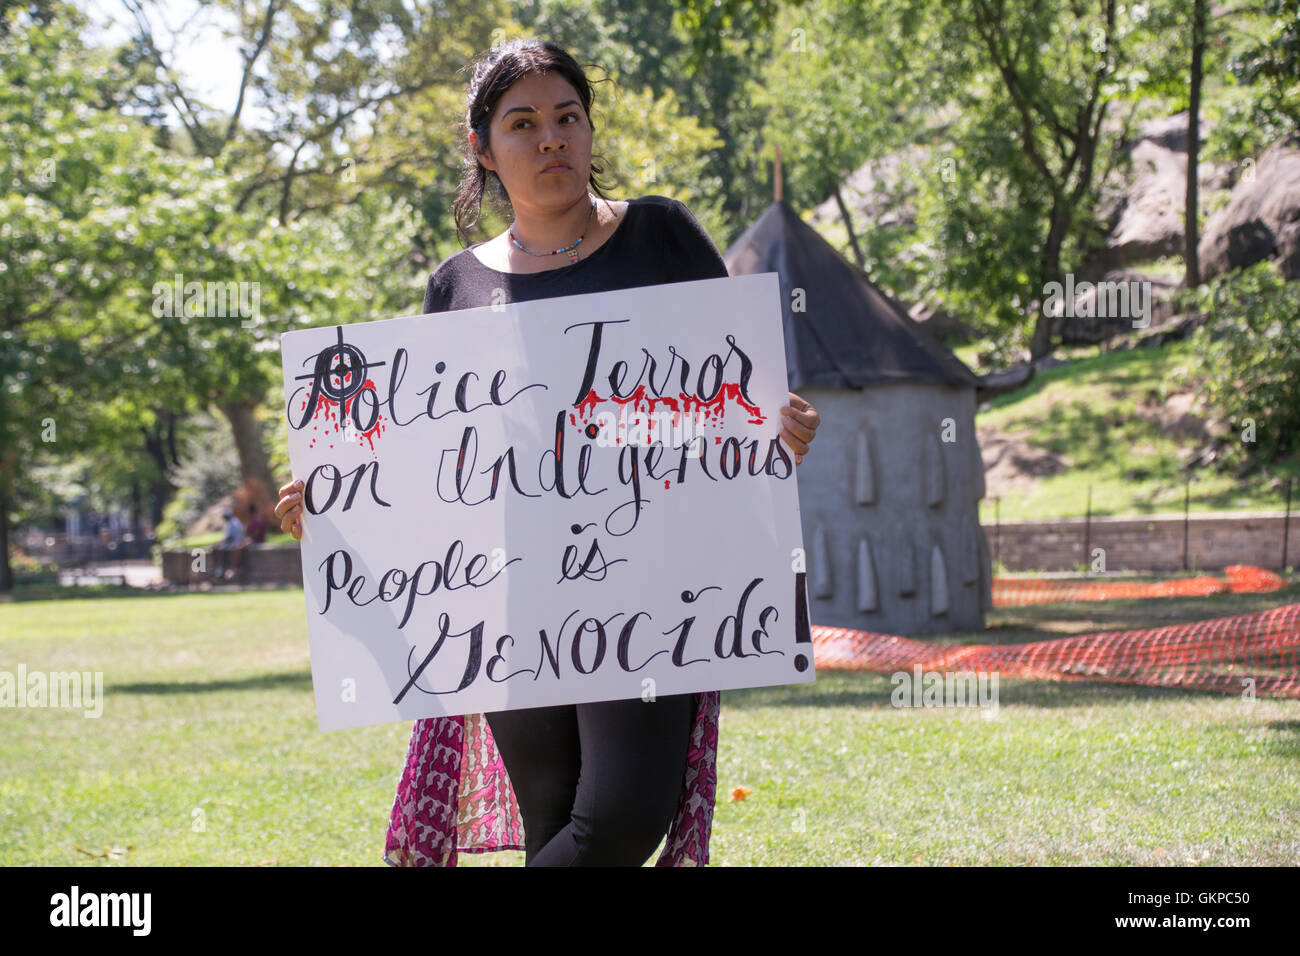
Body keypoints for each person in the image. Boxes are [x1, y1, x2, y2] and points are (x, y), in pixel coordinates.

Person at [274, 39, 821, 866]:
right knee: (555, 820)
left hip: (650, 578)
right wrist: (330, 503)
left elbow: (732, 402)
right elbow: (427, 467)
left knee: (626, 818)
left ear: (591, 132)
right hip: (506, 595)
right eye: (522, 123)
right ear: (483, 149)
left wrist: (775, 435)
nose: (551, 139)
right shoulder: (455, 287)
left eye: (568, 117)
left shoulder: (660, 238)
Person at [212, 507, 245, 580]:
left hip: (234, 542)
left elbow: (230, 537)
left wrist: (222, 543)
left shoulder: (233, 522)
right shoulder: (232, 522)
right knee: (217, 548)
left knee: (219, 549)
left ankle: (220, 567)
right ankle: (219, 567)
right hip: (232, 542)